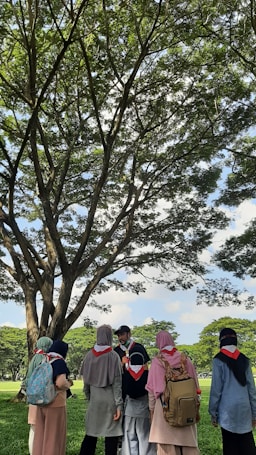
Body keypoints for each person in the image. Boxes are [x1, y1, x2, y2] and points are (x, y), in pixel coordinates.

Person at [145, 330, 200, 455]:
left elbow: (152, 390)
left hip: (165, 406)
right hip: (186, 405)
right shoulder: (185, 359)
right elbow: (195, 385)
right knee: (189, 448)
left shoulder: (157, 361)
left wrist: (152, 410)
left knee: (167, 447)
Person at [208, 327, 256, 455]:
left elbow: (216, 389)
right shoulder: (245, 359)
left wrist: (213, 412)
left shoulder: (218, 359)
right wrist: (255, 413)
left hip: (227, 410)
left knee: (230, 445)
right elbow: (252, 389)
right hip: (245, 407)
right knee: (247, 442)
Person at [79, 324, 123, 455]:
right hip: (110, 402)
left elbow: (85, 383)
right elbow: (117, 384)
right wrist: (119, 405)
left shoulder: (89, 356)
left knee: (91, 434)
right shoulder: (114, 356)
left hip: (95, 401)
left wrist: (89, 398)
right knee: (111, 437)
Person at [114, 325, 155, 455]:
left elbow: (146, 366)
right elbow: (114, 372)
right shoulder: (116, 351)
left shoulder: (138, 347)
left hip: (139, 392)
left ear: (129, 334)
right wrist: (121, 363)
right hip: (122, 390)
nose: (120, 337)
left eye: (122, 334)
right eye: (118, 335)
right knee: (128, 427)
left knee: (140, 429)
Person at [32, 340, 73, 455]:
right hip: (56, 403)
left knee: (40, 435)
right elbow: (60, 383)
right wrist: (69, 384)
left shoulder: (44, 360)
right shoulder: (59, 362)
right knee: (53, 437)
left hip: (41, 401)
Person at [25, 336, 53, 455]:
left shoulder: (34, 358)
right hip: (43, 398)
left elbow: (28, 378)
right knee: (42, 429)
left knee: (34, 428)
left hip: (32, 397)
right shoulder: (47, 359)